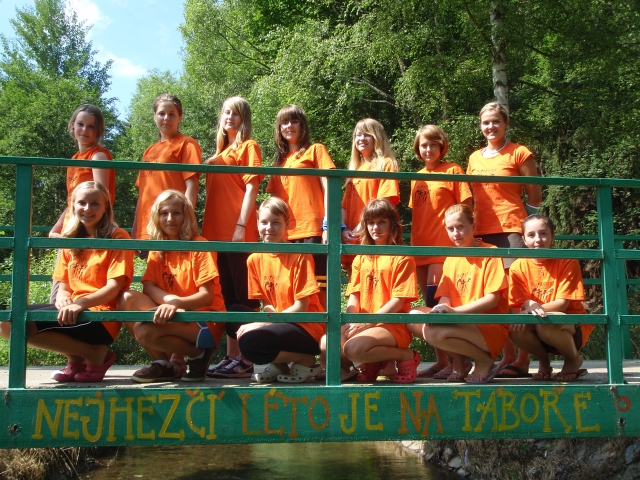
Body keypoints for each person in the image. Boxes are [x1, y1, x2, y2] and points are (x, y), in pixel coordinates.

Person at [0, 181, 133, 382]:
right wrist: (63, 297)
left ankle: (95, 354)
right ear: (73, 206)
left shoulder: (117, 237)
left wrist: (80, 304)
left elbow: (114, 287)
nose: (87, 208)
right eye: (82, 203)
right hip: (75, 309)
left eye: (95, 203)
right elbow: (63, 285)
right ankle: (76, 359)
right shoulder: (70, 238)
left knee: (24, 325)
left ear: (106, 207)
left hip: (100, 315)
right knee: (8, 322)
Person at [467, 101, 543, 378]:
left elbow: (535, 196)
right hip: (481, 231)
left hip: (511, 229)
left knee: (515, 294)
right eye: (486, 122)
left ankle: (523, 359)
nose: (491, 126)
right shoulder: (474, 158)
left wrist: (529, 230)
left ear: (506, 124)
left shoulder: (519, 153)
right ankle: (505, 356)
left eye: (496, 121)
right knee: (492, 295)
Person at [119, 190, 226, 383]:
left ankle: (200, 355)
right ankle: (163, 364)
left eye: (176, 213)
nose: (170, 219)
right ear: (157, 217)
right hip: (174, 313)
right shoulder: (159, 248)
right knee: (127, 299)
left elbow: (207, 296)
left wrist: (177, 304)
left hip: (203, 320)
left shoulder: (199, 245)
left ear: (186, 216)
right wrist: (170, 302)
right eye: (164, 213)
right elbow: (148, 287)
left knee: (144, 330)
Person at [411, 204, 509, 384]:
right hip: (459, 321)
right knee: (414, 316)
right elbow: (445, 297)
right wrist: (442, 309)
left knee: (435, 333)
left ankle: (484, 361)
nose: (456, 233)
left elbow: (492, 300)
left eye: (460, 227)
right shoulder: (451, 258)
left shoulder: (490, 252)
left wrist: (455, 312)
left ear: (473, 226)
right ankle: (459, 363)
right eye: (450, 229)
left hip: (488, 327)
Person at [201, 96, 263, 379]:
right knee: (226, 297)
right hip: (214, 234)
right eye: (227, 112)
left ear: (244, 119)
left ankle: (247, 358)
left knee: (244, 297)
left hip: (238, 232)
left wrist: (241, 225)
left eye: (236, 113)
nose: (230, 117)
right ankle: (231, 356)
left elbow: (251, 188)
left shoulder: (248, 147)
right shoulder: (218, 152)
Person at [233, 197, 325, 383]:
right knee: (234, 315)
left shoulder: (300, 256)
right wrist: (267, 322)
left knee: (250, 342)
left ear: (287, 224)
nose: (269, 228)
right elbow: (267, 304)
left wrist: (265, 324)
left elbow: (301, 307)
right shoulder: (254, 259)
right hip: (279, 322)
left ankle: (305, 359)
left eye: (276, 222)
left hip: (306, 326)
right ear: (257, 223)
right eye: (264, 222)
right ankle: (280, 366)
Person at [407, 125, 473, 379]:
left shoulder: (453, 170)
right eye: (424, 145)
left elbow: (466, 207)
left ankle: (459, 361)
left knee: (439, 305)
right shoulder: (417, 176)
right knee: (428, 305)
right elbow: (418, 212)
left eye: (433, 144)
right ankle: (441, 360)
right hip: (420, 247)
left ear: (441, 146)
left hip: (442, 247)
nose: (428, 149)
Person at [342, 198, 421, 384]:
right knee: (328, 344)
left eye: (382, 222)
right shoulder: (360, 258)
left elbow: (398, 301)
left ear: (392, 224)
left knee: (352, 349)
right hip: (364, 323)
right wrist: (351, 321)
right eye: (371, 222)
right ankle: (374, 362)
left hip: (392, 325)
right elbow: (354, 297)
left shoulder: (402, 256)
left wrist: (366, 323)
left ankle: (406, 356)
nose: (375, 227)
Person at [508, 214, 593, 381]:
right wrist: (528, 305)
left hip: (568, 326)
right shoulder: (518, 266)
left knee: (546, 322)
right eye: (531, 235)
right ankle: (544, 361)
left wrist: (529, 310)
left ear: (552, 236)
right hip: (537, 323)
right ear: (524, 240)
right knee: (513, 328)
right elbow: (522, 301)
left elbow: (562, 304)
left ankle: (572, 359)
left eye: (543, 233)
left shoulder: (567, 261)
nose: (538, 240)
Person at [266, 105, 336, 306]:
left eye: (294, 121)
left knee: (318, 286)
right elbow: (273, 201)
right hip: (285, 234)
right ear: (279, 128)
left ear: (302, 125)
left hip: (312, 230)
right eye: (284, 122)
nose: (289, 126)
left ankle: (323, 326)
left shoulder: (315, 150)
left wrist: (327, 225)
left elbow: (329, 186)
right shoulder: (278, 163)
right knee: (290, 287)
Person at [49, 104, 116, 303]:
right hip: (71, 229)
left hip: (87, 230)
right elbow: (72, 200)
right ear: (73, 125)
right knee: (60, 295)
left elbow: (102, 197)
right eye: (80, 124)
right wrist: (57, 227)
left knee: (72, 293)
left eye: (91, 126)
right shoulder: (75, 159)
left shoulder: (98, 156)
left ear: (98, 130)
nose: (84, 130)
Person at [131, 94, 201, 242]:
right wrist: (135, 231)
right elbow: (142, 195)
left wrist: (186, 224)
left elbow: (192, 187)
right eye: (161, 113)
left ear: (180, 118)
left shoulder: (187, 144)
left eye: (172, 114)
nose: (166, 118)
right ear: (154, 117)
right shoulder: (149, 150)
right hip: (147, 230)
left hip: (172, 228)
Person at [341, 118, 399, 278]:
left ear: (377, 137)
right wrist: (344, 230)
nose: (361, 139)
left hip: (373, 237)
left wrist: (357, 230)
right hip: (352, 238)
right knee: (355, 287)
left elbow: (385, 204)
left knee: (376, 283)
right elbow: (344, 206)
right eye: (358, 135)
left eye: (367, 134)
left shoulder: (386, 164)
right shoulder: (355, 169)